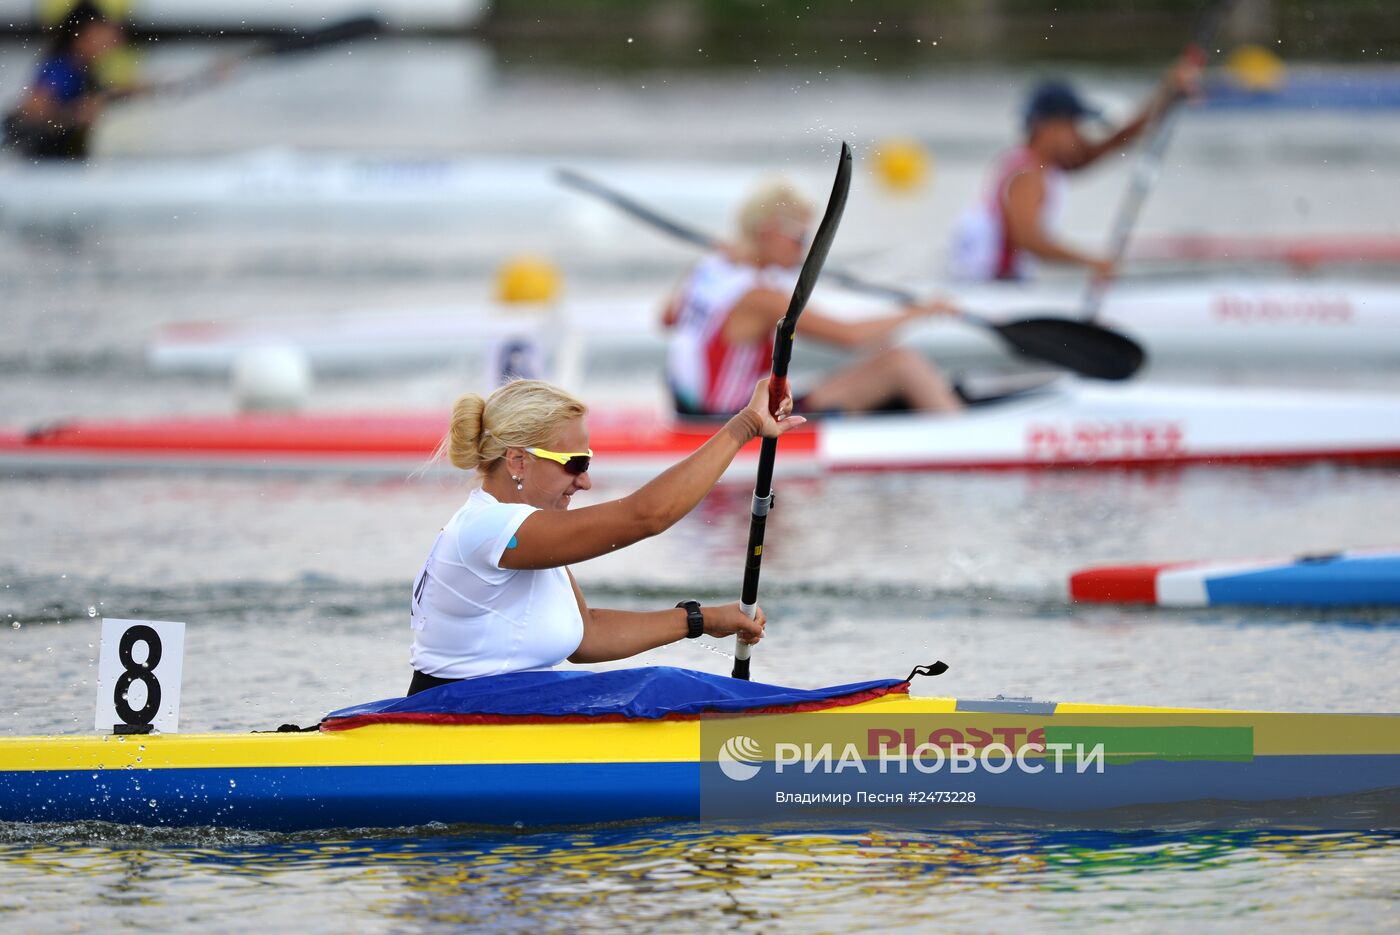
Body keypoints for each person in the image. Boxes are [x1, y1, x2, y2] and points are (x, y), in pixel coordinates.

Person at [406, 377, 799, 695]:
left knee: (666, 683)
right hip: (453, 724)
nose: (586, 481)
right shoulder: (488, 528)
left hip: (500, 713)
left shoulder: (522, 533)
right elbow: (645, 516)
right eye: (574, 464)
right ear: (518, 460)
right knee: (666, 690)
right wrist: (745, 425)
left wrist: (704, 619)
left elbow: (588, 634)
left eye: (587, 462)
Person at [663, 180, 964, 417]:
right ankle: (966, 438)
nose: (804, 250)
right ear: (768, 232)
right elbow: (850, 337)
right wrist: (919, 312)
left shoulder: (708, 268)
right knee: (900, 362)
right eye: (800, 238)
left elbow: (666, 319)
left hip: (694, 408)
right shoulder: (761, 297)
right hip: (738, 422)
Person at [949, 58, 1201, 283]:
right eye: (1074, 125)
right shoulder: (1028, 174)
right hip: (994, 288)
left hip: (1001, 286)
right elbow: (1029, 240)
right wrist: (1093, 263)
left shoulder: (1040, 163)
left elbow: (1117, 141)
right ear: (1048, 127)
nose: (1080, 136)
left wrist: (1167, 94)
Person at [3, 2, 130, 161]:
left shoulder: (83, 68)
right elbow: (30, 113)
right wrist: (76, 113)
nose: (112, 39)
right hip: (41, 168)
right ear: (83, 35)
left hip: (57, 165)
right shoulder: (64, 68)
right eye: (102, 31)